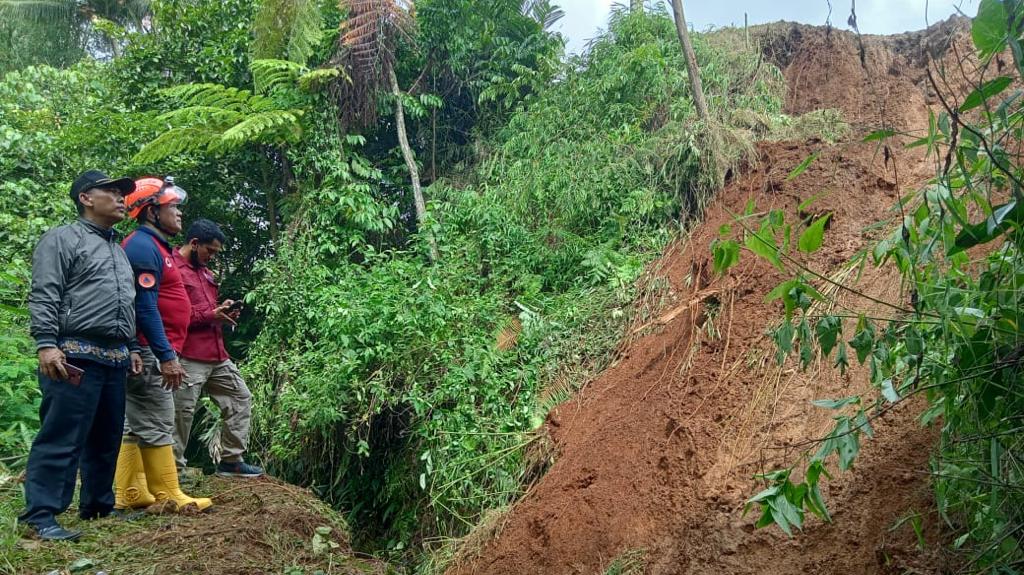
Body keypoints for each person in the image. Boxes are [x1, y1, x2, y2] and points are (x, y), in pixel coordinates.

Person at [20, 170, 143, 541]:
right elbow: (45, 292)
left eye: (124, 193)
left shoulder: (116, 250)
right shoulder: (62, 238)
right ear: (86, 198)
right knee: (62, 434)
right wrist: (45, 342)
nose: (122, 198)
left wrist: (133, 347)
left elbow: (127, 304)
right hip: (72, 353)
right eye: (113, 191)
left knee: (105, 437)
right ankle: (40, 514)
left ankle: (98, 505)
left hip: (114, 357)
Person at [114, 176, 212, 512]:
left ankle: (129, 492)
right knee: (158, 417)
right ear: (152, 211)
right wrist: (165, 355)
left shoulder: (155, 247)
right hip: (149, 352)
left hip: (148, 350)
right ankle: (168, 493)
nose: (179, 214)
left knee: (135, 424)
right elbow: (143, 307)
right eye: (173, 207)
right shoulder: (142, 247)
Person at [171, 219, 264, 478]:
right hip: (187, 354)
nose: (211, 257)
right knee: (182, 412)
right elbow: (171, 315)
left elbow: (207, 312)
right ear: (194, 243)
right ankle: (173, 470)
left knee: (240, 397)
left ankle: (231, 460)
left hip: (216, 353)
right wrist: (211, 314)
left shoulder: (205, 273)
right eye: (209, 251)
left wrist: (223, 311)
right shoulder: (172, 270)